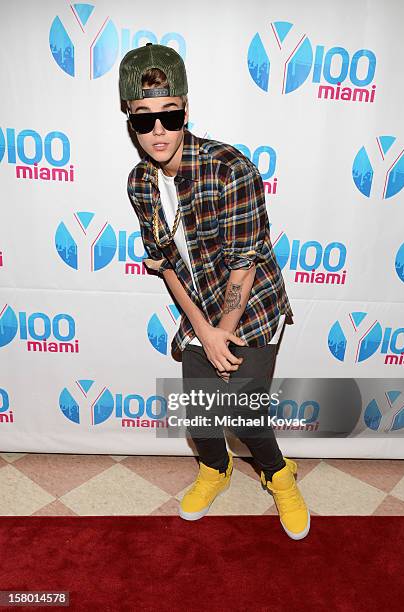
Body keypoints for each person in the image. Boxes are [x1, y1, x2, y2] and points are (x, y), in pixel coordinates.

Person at [119, 43, 310, 540]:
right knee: (200, 411)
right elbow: (165, 264)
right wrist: (202, 329)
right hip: (201, 309)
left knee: (243, 413)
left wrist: (222, 332)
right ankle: (214, 470)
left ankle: (279, 476)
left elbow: (244, 266)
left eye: (169, 115)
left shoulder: (230, 168)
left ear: (185, 110)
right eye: (143, 120)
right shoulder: (140, 184)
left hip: (253, 305)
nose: (157, 130)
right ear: (130, 122)